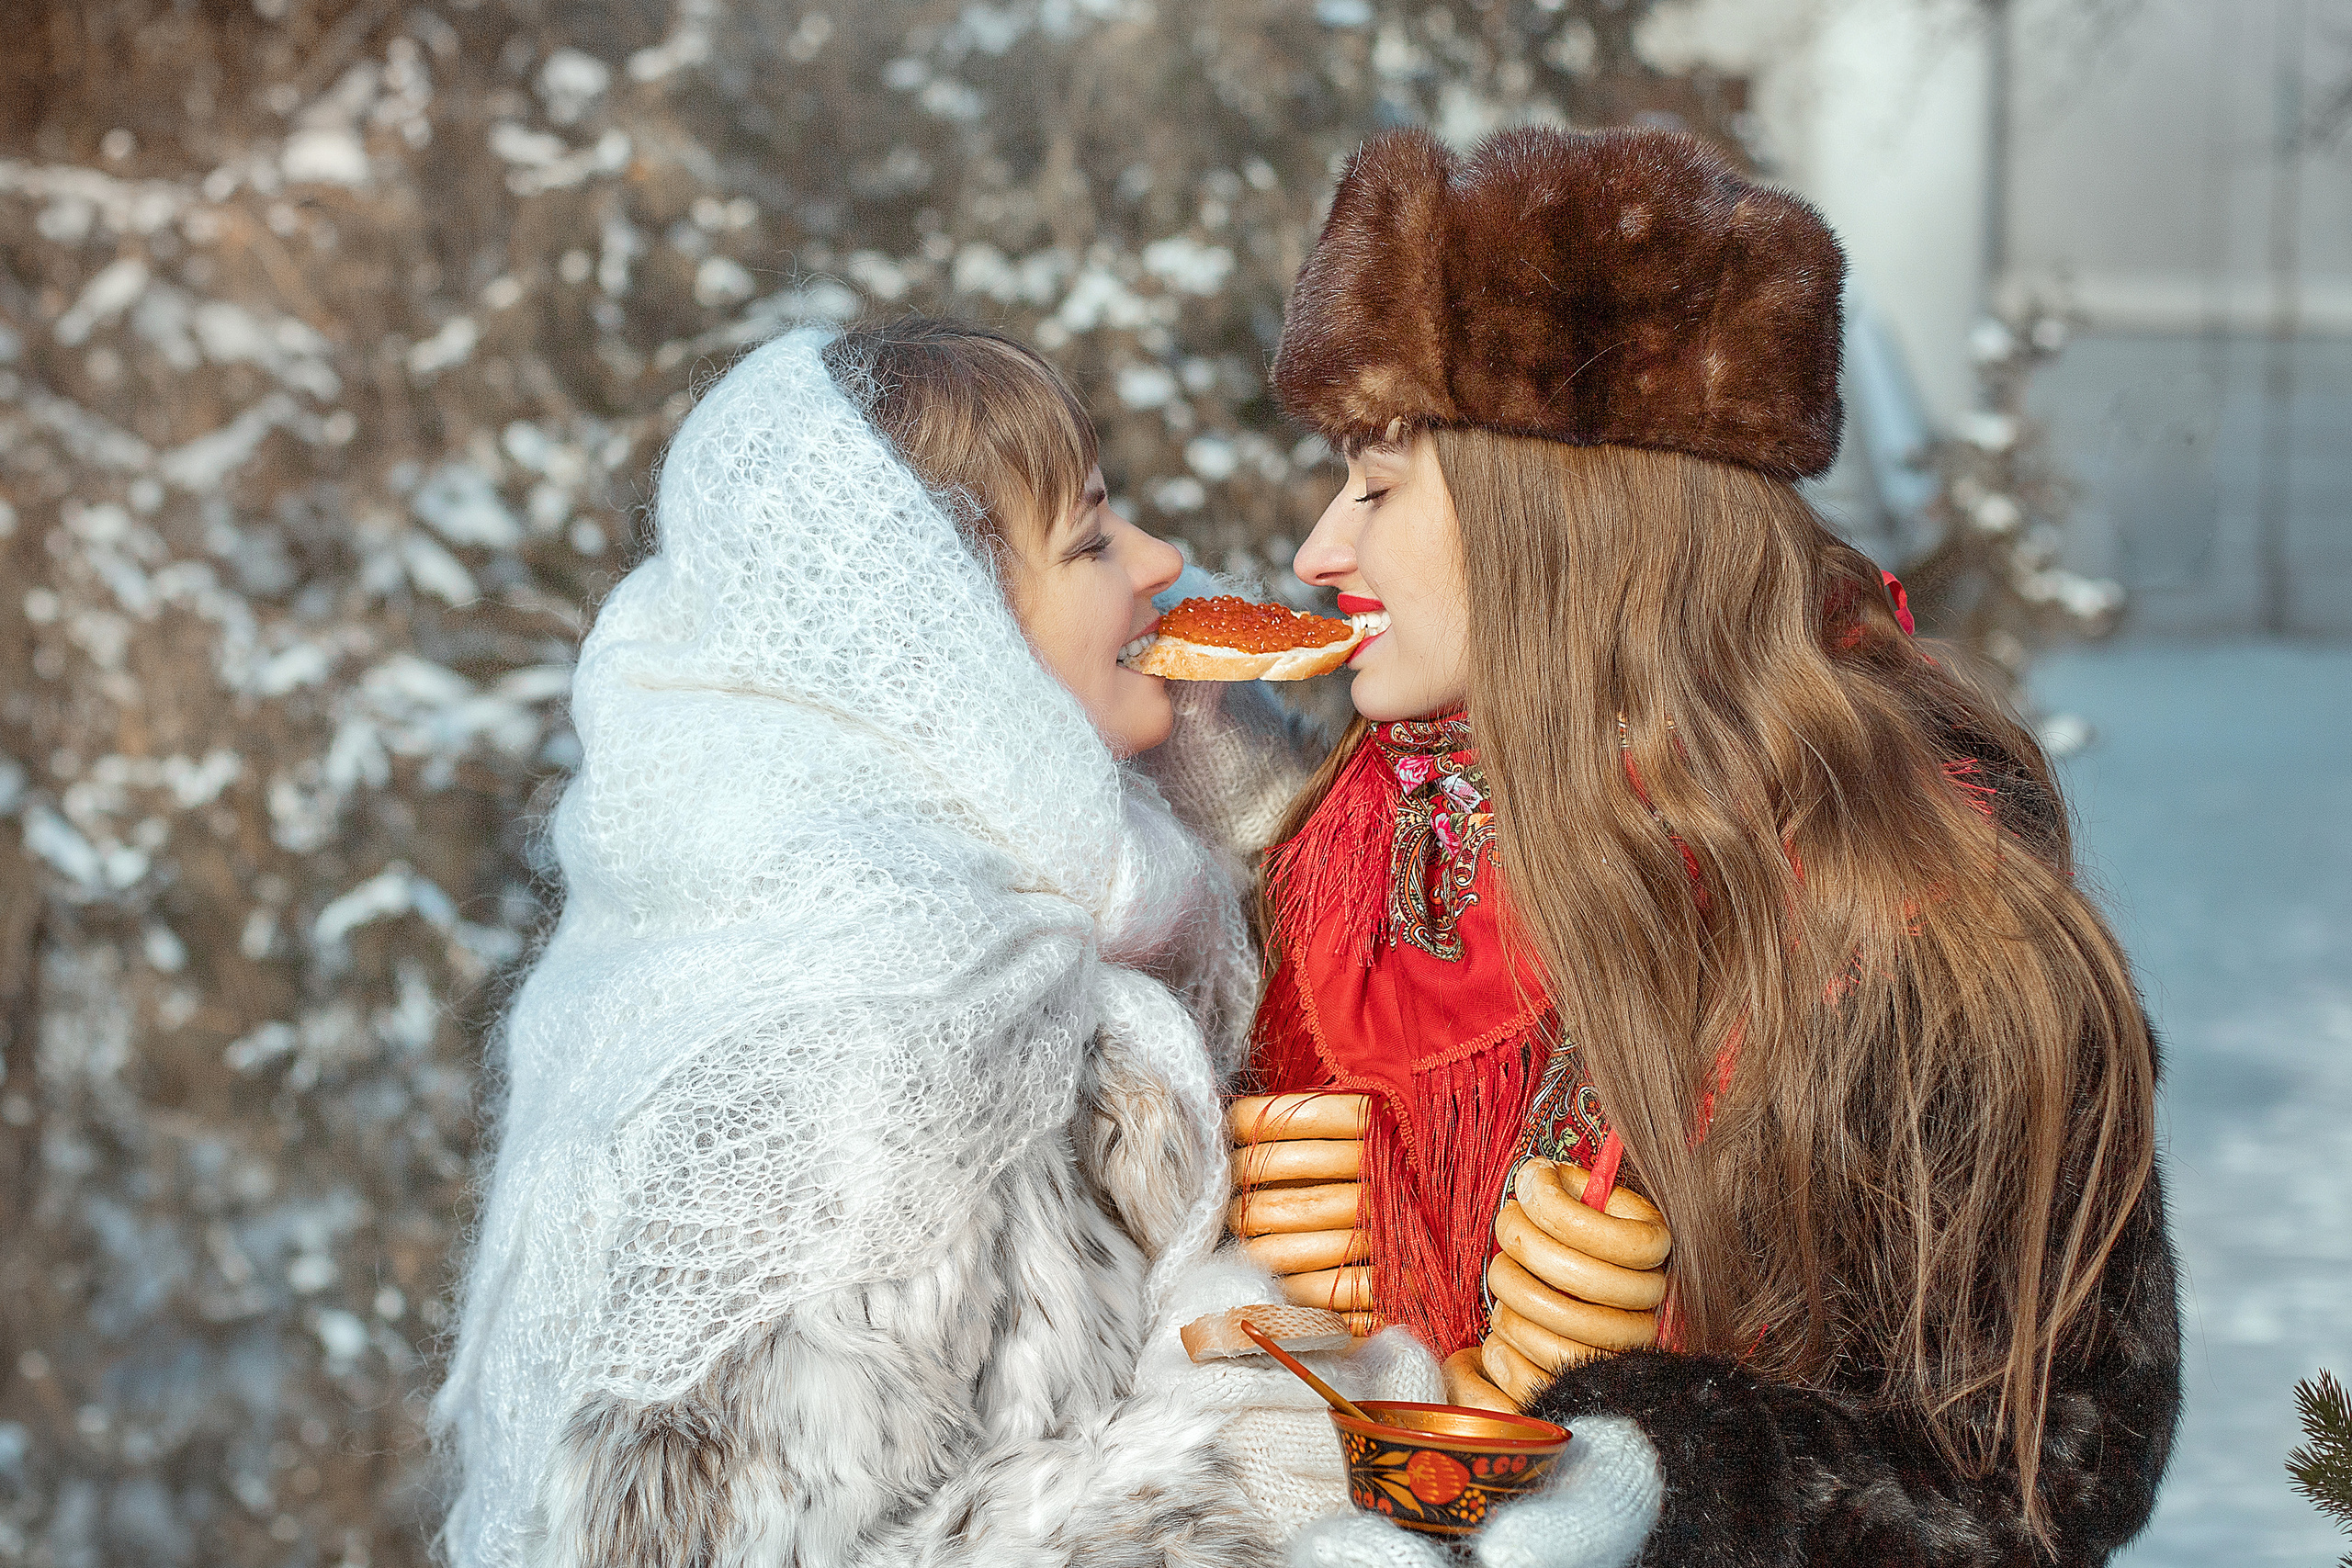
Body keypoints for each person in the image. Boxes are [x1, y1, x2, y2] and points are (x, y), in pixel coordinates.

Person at [1242, 127, 2179, 1567]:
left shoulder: (1908, 917)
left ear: (1559, 518)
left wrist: (1661, 1478)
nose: (1318, 550)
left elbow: (2034, 1479)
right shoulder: (1325, 869)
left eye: (1376, 485)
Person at [431, 318, 1348, 1568]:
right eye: (1088, 539)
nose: (1159, 560)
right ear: (943, 647)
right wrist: (1275, 1471)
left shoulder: (1024, 927)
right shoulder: (870, 1053)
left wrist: (1243, 794)